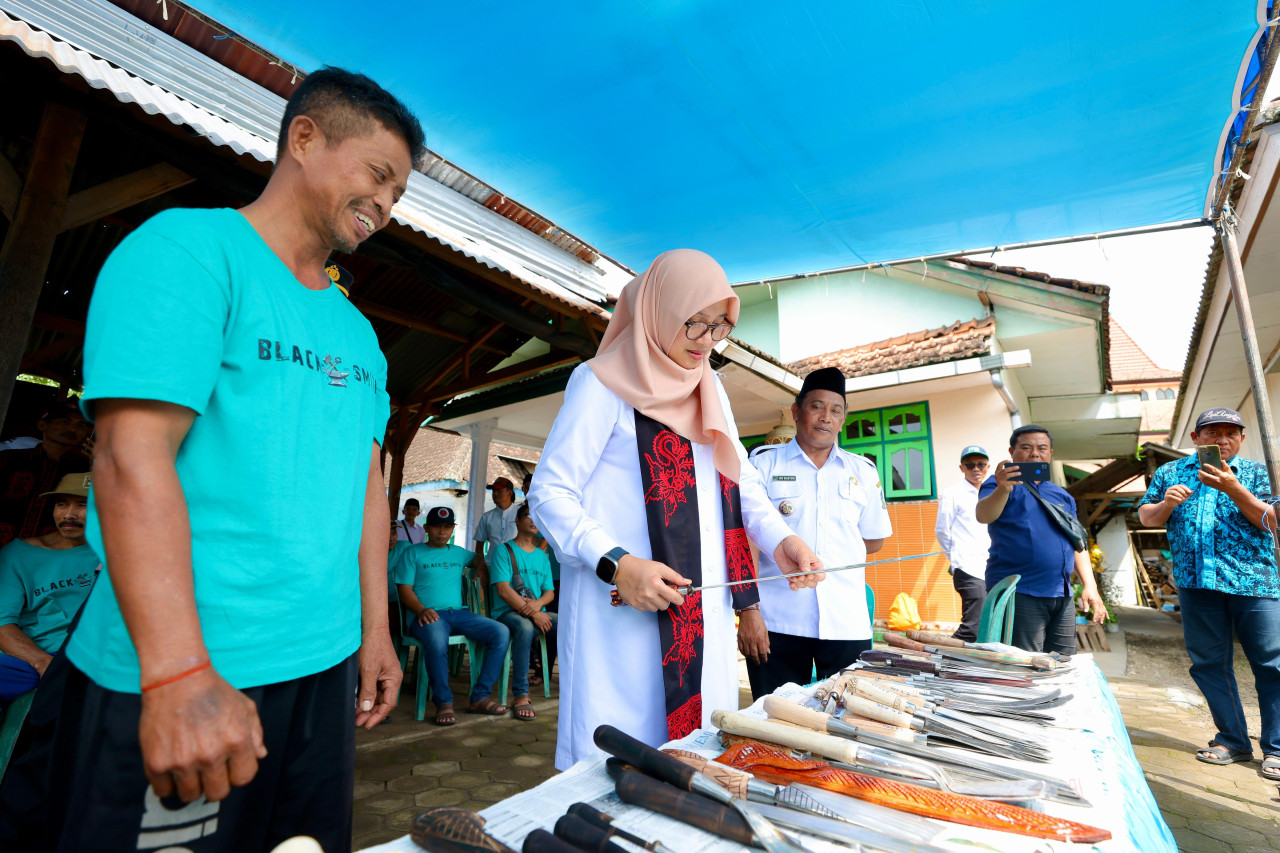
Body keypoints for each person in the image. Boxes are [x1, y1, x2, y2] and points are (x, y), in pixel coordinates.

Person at [32, 68, 424, 852]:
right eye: (378, 175)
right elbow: (127, 457)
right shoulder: (191, 251)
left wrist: (373, 630)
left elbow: (366, 492)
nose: (385, 204)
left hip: (321, 666)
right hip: (188, 664)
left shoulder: (359, 335)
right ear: (304, 138)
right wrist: (177, 673)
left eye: (398, 193)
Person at [530, 249, 824, 770]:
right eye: (695, 322)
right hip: (620, 611)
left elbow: (742, 482)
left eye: (720, 327)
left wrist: (783, 540)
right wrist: (617, 563)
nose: (706, 341)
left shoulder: (709, 389)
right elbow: (550, 493)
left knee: (693, 763)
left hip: (697, 611)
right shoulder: (600, 384)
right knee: (612, 768)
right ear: (659, 309)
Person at [1137, 407, 1280, 779]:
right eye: (1212, 432)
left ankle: (1277, 748)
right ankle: (1232, 740)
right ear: (1196, 438)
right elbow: (1146, 517)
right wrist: (1166, 504)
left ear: (1242, 438)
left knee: (1273, 665)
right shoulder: (1171, 472)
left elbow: (1274, 522)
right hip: (1195, 584)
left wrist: (1233, 487)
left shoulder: (1258, 473)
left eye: (1230, 433)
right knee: (1209, 665)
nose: (1222, 439)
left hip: (1254, 583)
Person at [745, 367, 892, 698]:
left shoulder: (863, 471)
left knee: (844, 720)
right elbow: (747, 542)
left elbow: (874, 539)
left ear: (843, 420)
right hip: (777, 621)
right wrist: (749, 612)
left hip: (847, 621)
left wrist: (839, 549)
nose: (826, 417)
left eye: (835, 410)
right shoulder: (764, 464)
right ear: (797, 411)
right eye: (816, 406)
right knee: (772, 722)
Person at [975, 425, 1106, 654]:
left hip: (1061, 594)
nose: (1035, 453)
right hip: (1020, 592)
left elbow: (1078, 542)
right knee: (1023, 664)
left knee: (1063, 661)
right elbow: (983, 515)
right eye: (1026, 447)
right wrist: (1003, 489)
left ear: (1050, 453)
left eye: (1042, 448)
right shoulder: (999, 485)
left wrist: (1090, 586)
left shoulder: (1061, 494)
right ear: (1012, 451)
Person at [394, 506, 509, 725]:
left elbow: (476, 558)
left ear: (452, 529)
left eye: (447, 527)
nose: (442, 532)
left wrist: (482, 567)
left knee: (500, 631)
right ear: (427, 528)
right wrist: (421, 609)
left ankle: (480, 697)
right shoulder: (412, 553)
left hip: (458, 614)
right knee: (437, 639)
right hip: (425, 617)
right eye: (437, 526)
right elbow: (404, 590)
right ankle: (444, 702)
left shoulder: (457, 552)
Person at [0, 473, 98, 706]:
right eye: (61, 504)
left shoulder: (117, 551)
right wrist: (43, 662)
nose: (68, 515)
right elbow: (2, 624)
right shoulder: (19, 554)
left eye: (82, 504)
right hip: (30, 658)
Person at [490, 501, 557, 721]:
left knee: (571, 625)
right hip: (508, 612)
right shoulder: (504, 550)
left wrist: (537, 607)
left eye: (537, 516)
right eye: (528, 515)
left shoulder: (542, 556)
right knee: (525, 627)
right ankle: (520, 694)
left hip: (537, 612)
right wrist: (533, 612)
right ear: (517, 521)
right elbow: (503, 589)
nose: (533, 520)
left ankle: (578, 686)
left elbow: (549, 593)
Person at [0, 401, 92, 548]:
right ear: (42, 425)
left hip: (50, 555)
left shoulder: (84, 469)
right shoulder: (8, 459)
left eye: (80, 425)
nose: (72, 428)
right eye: (65, 421)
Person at [935, 445, 993, 642]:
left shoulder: (993, 492)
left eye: (981, 464)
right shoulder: (953, 493)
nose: (976, 469)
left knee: (991, 624)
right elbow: (942, 530)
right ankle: (941, 658)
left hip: (992, 566)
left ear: (988, 467)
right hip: (968, 567)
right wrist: (956, 559)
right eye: (970, 465)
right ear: (962, 468)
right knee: (972, 628)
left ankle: (979, 667)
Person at [473, 477, 518, 585]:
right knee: (494, 600)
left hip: (517, 566)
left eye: (499, 490)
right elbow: (479, 547)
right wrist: (482, 565)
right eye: (493, 491)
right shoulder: (487, 517)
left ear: (510, 493)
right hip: (492, 566)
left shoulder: (520, 514)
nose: (495, 493)